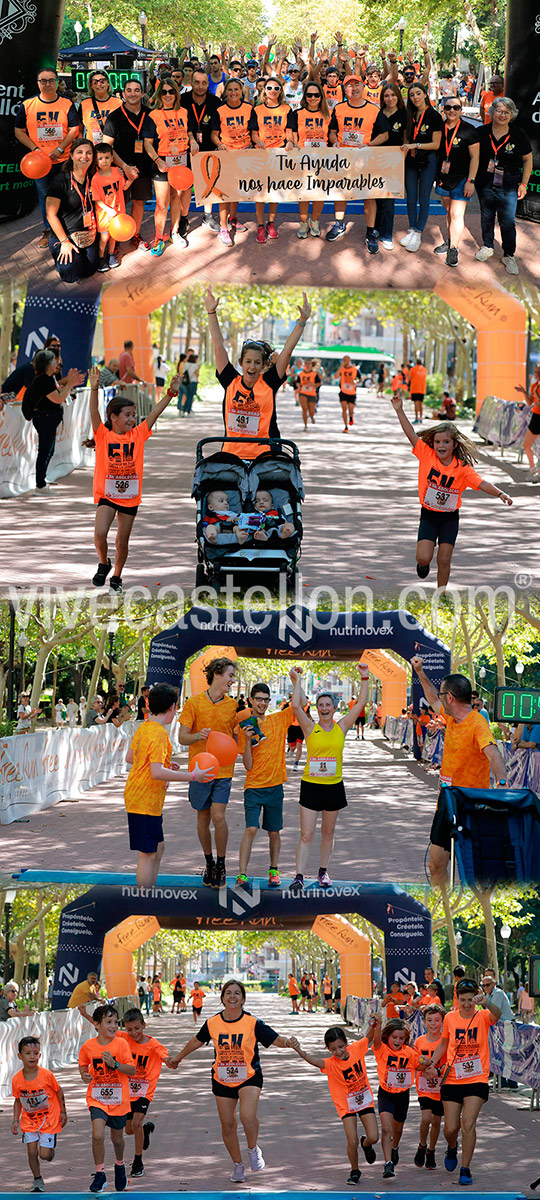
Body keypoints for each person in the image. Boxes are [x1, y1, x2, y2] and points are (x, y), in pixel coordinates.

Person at [168, 979, 294, 1183]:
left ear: (243, 999)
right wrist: (178, 1057)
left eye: (237, 993)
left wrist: (288, 1042)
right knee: (227, 1125)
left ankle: (253, 1149)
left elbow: (275, 1039)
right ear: (223, 998)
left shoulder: (253, 1023)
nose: (232, 996)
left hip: (249, 1076)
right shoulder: (212, 1023)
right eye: (228, 993)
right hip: (222, 1078)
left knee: (247, 1116)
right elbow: (196, 1041)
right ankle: (238, 1164)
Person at [391, 400, 513, 588]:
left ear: (454, 444)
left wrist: (500, 493)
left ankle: (441, 594)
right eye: (437, 442)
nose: (441, 446)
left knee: (444, 559)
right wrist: (399, 411)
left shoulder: (462, 469)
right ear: (433, 443)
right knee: (424, 558)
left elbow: (481, 483)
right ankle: (423, 564)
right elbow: (411, 434)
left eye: (446, 442)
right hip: (429, 515)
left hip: (449, 518)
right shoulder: (426, 454)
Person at [410, 660, 508, 886]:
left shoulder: (477, 724)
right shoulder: (451, 717)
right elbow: (432, 697)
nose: (439, 698)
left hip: (470, 805)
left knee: (469, 870)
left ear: (451, 697)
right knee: (435, 865)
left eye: (443, 694)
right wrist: (419, 672)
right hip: (446, 802)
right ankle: (442, 905)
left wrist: (501, 784)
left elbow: (493, 754)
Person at [88, 365, 181, 591]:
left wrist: (171, 393)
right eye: (128, 415)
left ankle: (117, 576)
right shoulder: (102, 434)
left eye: (133, 415)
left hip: (129, 497)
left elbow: (154, 413)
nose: (132, 419)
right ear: (114, 417)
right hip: (107, 495)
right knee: (100, 534)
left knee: (122, 541)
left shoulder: (137, 435)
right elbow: (93, 413)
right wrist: (93, 389)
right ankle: (104, 563)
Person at [289, 663, 370, 892]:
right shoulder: (309, 727)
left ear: (335, 708)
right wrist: (297, 681)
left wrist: (364, 678)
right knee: (306, 834)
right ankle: (298, 876)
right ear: (317, 708)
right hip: (311, 786)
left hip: (333, 787)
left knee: (327, 833)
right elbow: (296, 706)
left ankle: (323, 871)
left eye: (328, 705)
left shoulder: (342, 726)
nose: (324, 708)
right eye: (320, 705)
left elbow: (361, 704)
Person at [205, 287, 311, 460]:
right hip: (232, 457)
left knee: (263, 489)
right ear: (241, 363)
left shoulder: (269, 382)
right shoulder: (230, 380)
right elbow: (218, 345)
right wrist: (211, 312)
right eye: (248, 362)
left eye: (257, 363)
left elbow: (287, 351)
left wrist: (302, 321)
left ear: (264, 365)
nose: (252, 367)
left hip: (266, 458)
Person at [124, 682, 212, 886]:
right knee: (147, 854)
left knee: (158, 847)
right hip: (144, 799)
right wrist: (193, 776)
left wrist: (165, 763)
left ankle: (149, 893)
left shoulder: (145, 727)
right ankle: (144, 901)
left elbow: (132, 758)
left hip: (144, 799)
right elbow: (155, 772)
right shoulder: (158, 733)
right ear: (172, 707)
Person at [423, 977, 500, 1186]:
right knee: (450, 1128)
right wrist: (430, 1062)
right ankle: (451, 1146)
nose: (467, 1004)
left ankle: (465, 1169)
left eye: (470, 1000)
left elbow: (498, 1014)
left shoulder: (483, 1015)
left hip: (477, 1077)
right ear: (456, 999)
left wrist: (486, 1002)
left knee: (468, 1123)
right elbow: (443, 1045)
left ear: (475, 999)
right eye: (463, 1000)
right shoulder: (449, 1018)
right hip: (454, 1078)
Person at [235, 674, 302, 890]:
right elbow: (247, 765)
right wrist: (245, 739)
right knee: (251, 829)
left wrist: (297, 682)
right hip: (253, 787)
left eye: (266, 699)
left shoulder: (278, 720)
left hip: (275, 787)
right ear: (251, 701)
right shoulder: (244, 727)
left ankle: (274, 870)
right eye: (259, 699)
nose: (262, 703)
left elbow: (298, 705)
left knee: (274, 832)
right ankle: (242, 875)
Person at [290, 1024, 379, 1186]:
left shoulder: (357, 1048)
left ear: (346, 1043)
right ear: (328, 1049)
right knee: (351, 1140)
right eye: (333, 1049)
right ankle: (355, 1170)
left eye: (341, 1047)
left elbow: (369, 1037)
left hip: (364, 1100)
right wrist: (299, 1050)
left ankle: (366, 1144)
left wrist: (375, 1023)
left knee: (374, 1137)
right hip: (345, 1105)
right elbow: (314, 1061)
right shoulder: (330, 1064)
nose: (339, 1052)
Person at [178, 656, 239, 887]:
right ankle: (209, 862)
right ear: (217, 674)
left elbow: (235, 739)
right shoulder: (193, 703)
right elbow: (181, 738)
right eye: (230, 676)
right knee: (202, 818)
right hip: (199, 771)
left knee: (219, 816)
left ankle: (222, 865)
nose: (233, 680)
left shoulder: (233, 706)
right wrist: (197, 736)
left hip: (224, 772)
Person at [14, 66, 80, 247]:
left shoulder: (67, 103)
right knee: (45, 196)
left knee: (68, 195)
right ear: (38, 84)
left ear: (57, 82)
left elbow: (75, 129)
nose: (47, 84)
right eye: (43, 81)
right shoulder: (27, 105)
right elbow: (19, 131)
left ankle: (67, 228)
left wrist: (60, 149)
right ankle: (49, 230)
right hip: (39, 164)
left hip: (64, 160)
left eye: (51, 80)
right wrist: (35, 149)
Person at [78, 1004, 136, 1194]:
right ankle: (100, 1174)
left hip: (119, 1100)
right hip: (97, 1098)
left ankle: (119, 1166)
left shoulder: (121, 1044)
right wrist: (84, 1075)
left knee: (117, 1139)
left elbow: (132, 1070)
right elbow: (83, 1066)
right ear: (96, 1024)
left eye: (115, 1022)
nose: (113, 1026)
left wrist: (115, 1064)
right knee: (97, 1135)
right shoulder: (88, 1046)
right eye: (108, 1022)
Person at [474, 97, 532, 276]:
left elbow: (528, 159)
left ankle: (509, 255)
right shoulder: (481, 132)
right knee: (486, 216)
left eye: (507, 112)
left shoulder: (518, 134)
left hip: (509, 184)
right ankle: (487, 246)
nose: (502, 115)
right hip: (484, 182)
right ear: (492, 112)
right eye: (499, 111)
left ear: (512, 115)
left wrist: (524, 183)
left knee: (507, 221)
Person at [371, 1012, 430, 1180]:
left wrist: (426, 1063)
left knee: (397, 1129)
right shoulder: (382, 1050)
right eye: (394, 1037)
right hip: (386, 1094)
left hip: (402, 1095)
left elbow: (419, 1066)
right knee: (386, 1128)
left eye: (401, 1038)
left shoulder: (409, 1052)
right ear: (387, 1037)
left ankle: (394, 1147)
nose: (397, 1041)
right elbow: (375, 1040)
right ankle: (388, 1164)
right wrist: (378, 1024)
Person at [145, 76, 198, 255]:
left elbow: (189, 132)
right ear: (159, 95)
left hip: (181, 161)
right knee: (162, 203)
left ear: (177, 93)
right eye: (164, 92)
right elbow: (147, 143)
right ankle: (159, 238)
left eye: (171, 91)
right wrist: (157, 160)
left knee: (177, 199)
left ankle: (174, 233)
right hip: (162, 162)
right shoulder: (154, 115)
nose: (168, 95)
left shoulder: (184, 111)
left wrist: (193, 141)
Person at [326, 75, 380, 249]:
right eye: (349, 86)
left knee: (368, 195)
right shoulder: (339, 108)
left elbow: (384, 134)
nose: (354, 88)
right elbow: (332, 131)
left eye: (357, 85)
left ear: (363, 87)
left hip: (366, 159)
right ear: (345, 89)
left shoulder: (374, 109)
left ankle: (371, 231)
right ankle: (339, 223)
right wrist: (334, 140)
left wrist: (370, 144)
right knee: (341, 192)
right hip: (344, 158)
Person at [118, 1008, 172, 1178]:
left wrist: (171, 1061)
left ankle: (138, 1162)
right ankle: (145, 1131)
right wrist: (86, 1015)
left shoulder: (153, 1045)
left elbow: (164, 1055)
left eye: (137, 1028)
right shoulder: (123, 1038)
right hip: (127, 1090)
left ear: (144, 1025)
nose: (134, 1033)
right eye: (129, 1029)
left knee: (135, 1124)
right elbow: (103, 1027)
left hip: (144, 1090)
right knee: (128, 1130)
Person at [22, 348, 84, 492]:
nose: (58, 363)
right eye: (54, 361)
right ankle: (40, 485)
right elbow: (58, 398)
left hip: (48, 418)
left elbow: (59, 394)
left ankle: (42, 481)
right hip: (45, 419)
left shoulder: (48, 379)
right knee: (45, 451)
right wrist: (70, 383)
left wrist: (69, 382)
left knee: (48, 450)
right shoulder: (43, 380)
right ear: (48, 364)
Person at [102, 79, 155, 247]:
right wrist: (124, 166)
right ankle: (114, 241)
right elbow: (106, 147)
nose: (133, 93)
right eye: (129, 90)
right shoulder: (114, 118)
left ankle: (135, 234)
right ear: (123, 94)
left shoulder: (150, 114)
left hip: (143, 169)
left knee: (139, 202)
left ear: (142, 93)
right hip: (119, 170)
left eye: (137, 90)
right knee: (118, 204)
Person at [12, 1036, 67, 1193]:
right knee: (31, 1152)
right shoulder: (17, 1079)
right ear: (20, 1056)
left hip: (49, 1119)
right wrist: (15, 1120)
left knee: (44, 1155)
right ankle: (37, 1179)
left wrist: (63, 1111)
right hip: (29, 1121)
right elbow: (17, 1100)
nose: (32, 1056)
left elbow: (58, 1091)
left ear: (40, 1055)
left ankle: (50, 1150)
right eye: (28, 1053)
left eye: (35, 1053)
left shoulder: (47, 1075)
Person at [45, 138, 100, 282]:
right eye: (79, 152)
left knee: (89, 271)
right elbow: (51, 215)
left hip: (87, 234)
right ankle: (60, 250)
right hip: (66, 236)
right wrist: (65, 242)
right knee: (71, 275)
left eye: (89, 153)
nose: (84, 156)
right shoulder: (60, 180)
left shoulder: (93, 177)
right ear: (71, 155)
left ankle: (80, 256)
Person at [433, 98, 479, 268]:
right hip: (443, 178)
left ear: (461, 110)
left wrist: (471, 181)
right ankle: (451, 239)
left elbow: (475, 157)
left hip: (462, 179)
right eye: (448, 107)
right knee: (449, 211)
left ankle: (454, 248)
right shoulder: (439, 128)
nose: (452, 110)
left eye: (456, 107)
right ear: (443, 109)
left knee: (456, 214)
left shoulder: (469, 130)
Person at [400, 85, 443, 254]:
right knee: (410, 196)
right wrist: (407, 147)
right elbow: (405, 135)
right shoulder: (409, 115)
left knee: (424, 197)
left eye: (418, 93)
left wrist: (415, 145)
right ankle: (411, 228)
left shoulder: (434, 116)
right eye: (412, 95)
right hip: (411, 159)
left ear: (425, 94)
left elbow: (436, 144)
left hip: (428, 161)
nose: (415, 97)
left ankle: (419, 232)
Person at [210, 79, 252, 246]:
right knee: (225, 193)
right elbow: (214, 134)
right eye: (230, 90)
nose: (233, 92)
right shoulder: (220, 111)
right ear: (225, 92)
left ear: (241, 91)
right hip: (226, 155)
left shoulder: (249, 108)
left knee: (237, 191)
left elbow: (254, 131)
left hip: (244, 155)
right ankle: (223, 227)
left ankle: (233, 218)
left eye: (236, 89)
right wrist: (219, 143)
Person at [248, 77, 290, 242]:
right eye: (269, 88)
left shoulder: (286, 109)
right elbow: (253, 132)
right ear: (264, 90)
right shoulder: (257, 110)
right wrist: (258, 141)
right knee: (260, 192)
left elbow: (290, 131)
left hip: (278, 154)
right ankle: (260, 225)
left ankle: (270, 223)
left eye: (276, 88)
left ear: (280, 91)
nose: (273, 91)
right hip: (261, 155)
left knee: (274, 191)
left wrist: (290, 141)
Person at [286, 80, 330, 237]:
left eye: (316, 95)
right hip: (303, 159)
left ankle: (315, 220)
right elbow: (291, 131)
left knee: (319, 192)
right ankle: (304, 223)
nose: (313, 98)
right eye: (309, 95)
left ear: (321, 97)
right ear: (305, 96)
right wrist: (292, 141)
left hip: (323, 159)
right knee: (303, 191)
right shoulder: (297, 113)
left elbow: (331, 135)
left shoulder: (328, 114)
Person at [181, 69, 221, 233]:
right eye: (197, 82)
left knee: (208, 182)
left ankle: (208, 216)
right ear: (191, 82)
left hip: (207, 148)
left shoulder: (215, 102)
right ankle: (184, 218)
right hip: (185, 148)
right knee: (185, 185)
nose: (200, 86)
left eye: (204, 83)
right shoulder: (182, 100)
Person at [369, 83, 407, 250]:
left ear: (398, 96)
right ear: (382, 98)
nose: (390, 98)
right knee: (376, 196)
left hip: (395, 161)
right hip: (377, 159)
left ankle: (386, 234)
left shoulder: (405, 115)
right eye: (386, 95)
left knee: (389, 200)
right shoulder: (377, 114)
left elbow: (406, 140)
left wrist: (401, 160)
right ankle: (375, 228)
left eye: (393, 95)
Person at [413, 1004, 446, 1170]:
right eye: (430, 1020)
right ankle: (422, 1144)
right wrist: (423, 1070)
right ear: (424, 1022)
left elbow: (449, 1062)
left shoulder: (445, 1041)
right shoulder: (419, 1041)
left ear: (442, 1021)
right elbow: (414, 1061)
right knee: (426, 1118)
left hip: (440, 1087)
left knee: (436, 1120)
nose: (433, 1024)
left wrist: (438, 1071)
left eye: (437, 1020)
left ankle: (431, 1150)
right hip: (424, 1086)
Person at [91, 141, 129, 271]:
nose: (104, 161)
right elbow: (96, 199)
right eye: (100, 158)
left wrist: (132, 179)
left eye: (107, 158)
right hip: (104, 214)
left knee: (114, 235)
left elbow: (123, 187)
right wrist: (108, 209)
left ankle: (111, 254)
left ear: (112, 158)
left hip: (118, 212)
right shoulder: (95, 179)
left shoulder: (117, 172)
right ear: (96, 160)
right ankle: (101, 258)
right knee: (105, 236)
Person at [79, 69, 122, 145]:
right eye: (95, 82)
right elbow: (79, 130)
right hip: (92, 149)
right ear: (91, 85)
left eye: (102, 81)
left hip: (114, 148)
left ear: (108, 83)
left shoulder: (119, 103)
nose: (99, 84)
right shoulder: (84, 104)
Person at [515, 363, 540, 478]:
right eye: (535, 372)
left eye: (538, 372)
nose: (536, 374)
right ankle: (533, 468)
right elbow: (530, 402)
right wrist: (524, 392)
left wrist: (536, 393)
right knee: (526, 445)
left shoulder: (536, 387)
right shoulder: (534, 385)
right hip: (536, 417)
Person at [333, 355, 358, 433]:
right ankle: (345, 426)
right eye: (343, 360)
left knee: (350, 410)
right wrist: (341, 367)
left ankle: (351, 417)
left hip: (352, 392)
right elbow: (335, 376)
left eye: (346, 360)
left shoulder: (355, 369)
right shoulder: (342, 369)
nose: (345, 361)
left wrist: (355, 382)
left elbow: (360, 379)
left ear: (349, 360)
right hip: (343, 392)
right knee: (344, 409)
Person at [297, 358, 322, 431]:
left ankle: (311, 416)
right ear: (304, 365)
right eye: (306, 364)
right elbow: (297, 382)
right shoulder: (301, 374)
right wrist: (299, 385)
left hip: (312, 394)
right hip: (303, 393)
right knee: (304, 409)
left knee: (311, 411)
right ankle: (305, 425)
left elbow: (319, 383)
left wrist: (313, 384)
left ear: (311, 365)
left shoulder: (314, 374)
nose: (308, 365)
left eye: (309, 364)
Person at [408, 358, 428, 424]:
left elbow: (409, 378)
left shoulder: (413, 369)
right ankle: (421, 418)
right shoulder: (424, 369)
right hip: (422, 388)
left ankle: (416, 418)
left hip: (414, 388)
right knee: (420, 403)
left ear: (416, 363)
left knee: (416, 404)